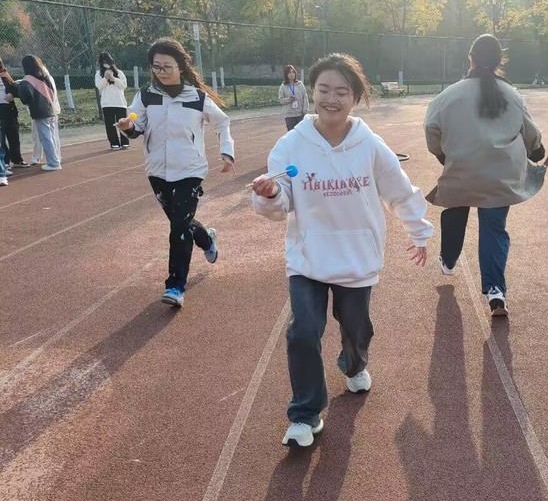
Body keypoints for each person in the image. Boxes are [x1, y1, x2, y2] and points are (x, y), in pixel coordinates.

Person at [251, 53, 432, 448]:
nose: (331, 99)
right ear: (311, 92)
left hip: (356, 257)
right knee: (303, 332)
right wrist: (269, 194)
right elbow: (280, 203)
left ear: (355, 98)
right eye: (324, 90)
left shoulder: (370, 145)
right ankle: (305, 414)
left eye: (341, 92)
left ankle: (354, 364)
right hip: (308, 258)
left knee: (356, 327)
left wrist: (419, 232)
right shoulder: (291, 145)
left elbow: (399, 190)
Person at [424, 34, 545, 317]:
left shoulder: (448, 95)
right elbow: (530, 133)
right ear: (500, 61)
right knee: (494, 228)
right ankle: (495, 290)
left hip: (461, 169)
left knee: (455, 207)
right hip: (500, 176)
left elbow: (431, 130)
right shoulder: (512, 94)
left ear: (470, 59)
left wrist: (443, 154)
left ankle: (449, 261)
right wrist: (537, 151)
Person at [117, 38, 235, 308]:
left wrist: (227, 151)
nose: (161, 72)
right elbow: (136, 126)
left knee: (178, 226)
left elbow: (222, 123)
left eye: (167, 67)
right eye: (156, 67)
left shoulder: (197, 97)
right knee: (181, 221)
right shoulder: (146, 95)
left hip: (190, 170)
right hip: (157, 171)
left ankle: (175, 285)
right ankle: (206, 239)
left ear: (181, 66)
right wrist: (127, 126)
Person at [17, 55, 62, 171]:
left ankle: (53, 163)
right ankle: (55, 159)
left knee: (45, 138)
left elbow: (26, 99)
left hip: (40, 112)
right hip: (51, 109)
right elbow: (53, 93)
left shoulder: (27, 80)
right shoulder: (46, 77)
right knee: (52, 137)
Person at [95, 52, 129, 150]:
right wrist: (105, 78)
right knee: (110, 125)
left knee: (123, 123)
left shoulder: (119, 73)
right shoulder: (98, 74)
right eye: (104, 62)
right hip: (107, 103)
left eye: (107, 61)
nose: (106, 64)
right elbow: (100, 87)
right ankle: (114, 143)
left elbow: (123, 86)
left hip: (120, 102)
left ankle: (125, 142)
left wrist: (113, 78)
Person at [0, 56, 28, 169]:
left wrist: (13, 94)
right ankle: (5, 162)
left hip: (9, 109)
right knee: (1, 140)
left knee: (14, 136)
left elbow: (15, 88)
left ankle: (17, 160)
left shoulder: (4, 75)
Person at [278, 64, 308, 131]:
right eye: (289, 72)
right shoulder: (283, 86)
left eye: (293, 72)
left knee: (301, 132)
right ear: (286, 74)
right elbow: (281, 100)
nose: (292, 74)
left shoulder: (300, 84)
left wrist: (305, 110)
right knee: (291, 133)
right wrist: (289, 99)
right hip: (289, 115)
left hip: (300, 113)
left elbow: (305, 97)